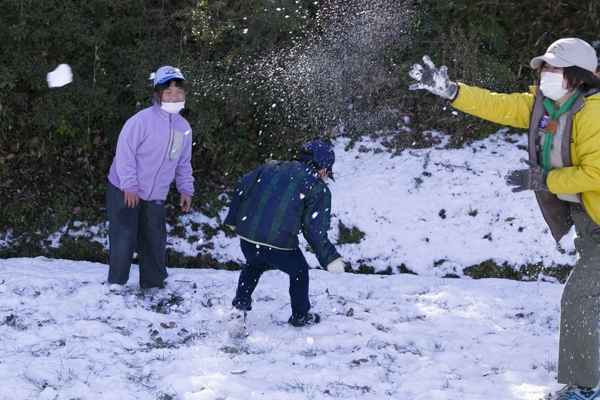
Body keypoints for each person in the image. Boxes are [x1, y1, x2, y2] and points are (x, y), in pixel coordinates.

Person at [408, 38, 600, 400]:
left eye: (555, 69)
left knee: (578, 301)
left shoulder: (594, 113)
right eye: (544, 68)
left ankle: (584, 388)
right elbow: (497, 105)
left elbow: (596, 173)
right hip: (588, 221)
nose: (546, 74)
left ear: (578, 77)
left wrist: (545, 180)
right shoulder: (544, 107)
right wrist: (451, 91)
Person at [224, 140, 345, 337]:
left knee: (253, 265)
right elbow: (314, 230)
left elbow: (242, 186)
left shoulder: (270, 166)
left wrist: (233, 218)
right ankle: (300, 316)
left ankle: (239, 308)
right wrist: (329, 257)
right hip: (278, 244)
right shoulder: (317, 188)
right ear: (323, 169)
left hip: (248, 236)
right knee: (299, 272)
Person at [106, 66, 195, 292]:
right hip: (124, 188)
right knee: (124, 237)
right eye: (168, 92)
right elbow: (125, 154)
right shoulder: (141, 121)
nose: (175, 97)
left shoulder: (184, 129)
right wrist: (130, 186)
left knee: (155, 238)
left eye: (179, 92)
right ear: (156, 95)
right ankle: (117, 283)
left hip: (155, 194)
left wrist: (186, 190)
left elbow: (182, 162)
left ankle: (152, 283)